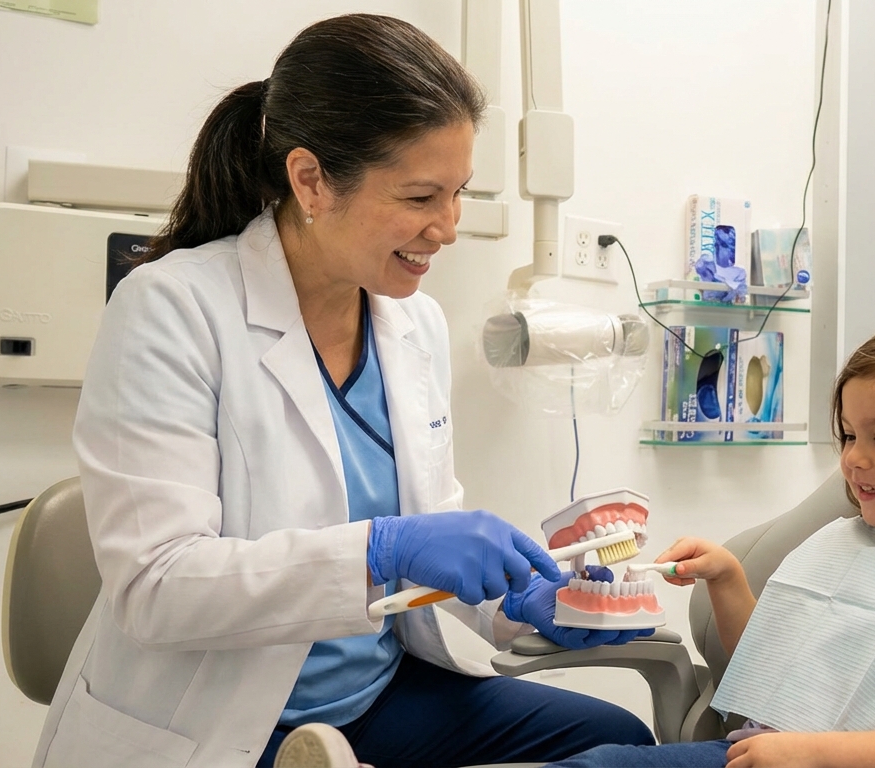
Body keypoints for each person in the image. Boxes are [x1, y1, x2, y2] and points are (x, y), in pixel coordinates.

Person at [32, 14, 653, 768]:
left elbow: (434, 544)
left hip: (377, 695)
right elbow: (158, 588)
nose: (449, 228)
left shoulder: (413, 325)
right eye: (422, 197)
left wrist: (522, 603)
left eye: (458, 193)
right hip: (220, 723)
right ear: (310, 179)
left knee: (615, 741)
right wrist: (381, 548)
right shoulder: (173, 309)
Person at [549, 318, 875, 768]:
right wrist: (727, 577)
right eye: (848, 435)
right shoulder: (843, 540)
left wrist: (811, 752)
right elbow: (771, 663)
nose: (855, 459)